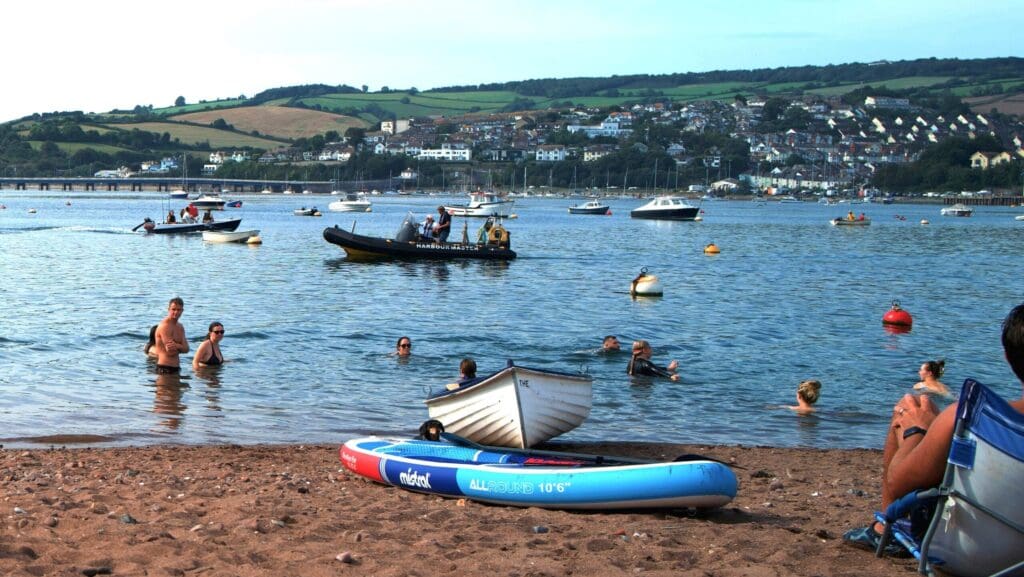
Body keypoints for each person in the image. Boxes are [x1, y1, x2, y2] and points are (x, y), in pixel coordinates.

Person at [843, 302, 1024, 555]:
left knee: (908, 411)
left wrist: (917, 432)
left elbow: (898, 484)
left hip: (968, 557)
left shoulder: (966, 418)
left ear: (1007, 357)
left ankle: (885, 530)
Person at [154, 297, 188, 374]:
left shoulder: (180, 327)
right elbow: (171, 352)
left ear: (182, 311)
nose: (176, 312)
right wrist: (181, 346)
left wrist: (177, 346)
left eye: (179, 310)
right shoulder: (164, 326)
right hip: (164, 368)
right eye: (173, 309)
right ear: (168, 309)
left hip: (177, 368)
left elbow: (187, 349)